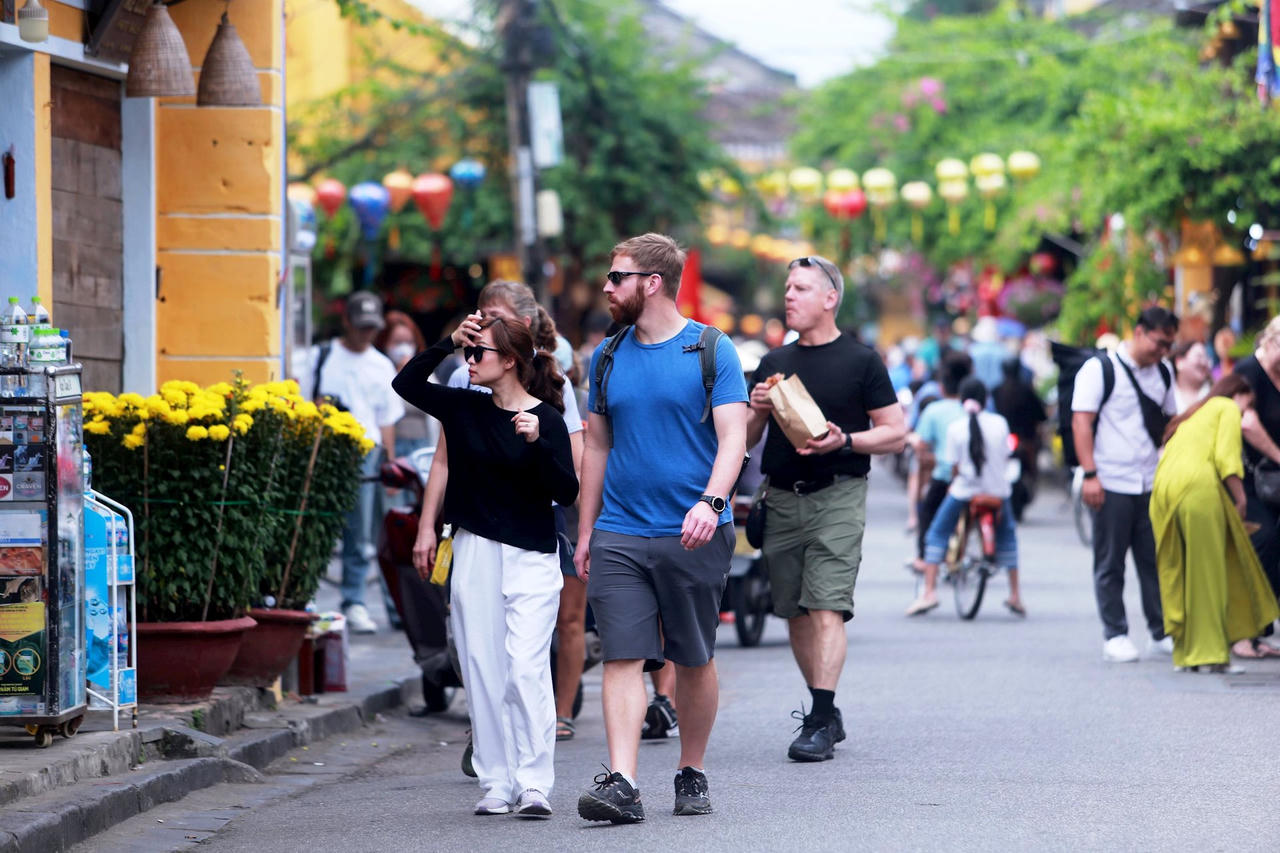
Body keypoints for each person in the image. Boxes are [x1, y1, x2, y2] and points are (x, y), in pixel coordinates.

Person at [574, 233, 747, 823]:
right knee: (622, 655)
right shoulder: (607, 356)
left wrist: (712, 504)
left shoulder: (711, 348)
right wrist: (586, 528)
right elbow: (597, 446)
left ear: (651, 282)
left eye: (617, 276)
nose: (606, 286)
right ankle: (622, 781)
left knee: (693, 657)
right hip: (620, 530)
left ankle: (690, 768)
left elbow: (734, 439)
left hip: (692, 530)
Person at [392, 312, 578, 818]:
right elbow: (405, 382)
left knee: (524, 668)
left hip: (532, 553)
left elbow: (566, 491)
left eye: (480, 353)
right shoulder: (463, 408)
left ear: (512, 361)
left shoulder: (548, 418)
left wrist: (538, 443)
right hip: (474, 548)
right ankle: (497, 781)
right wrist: (449, 343)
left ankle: (535, 782)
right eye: (468, 352)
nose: (470, 361)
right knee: (481, 667)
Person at [745, 254, 906, 763]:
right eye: (788, 287)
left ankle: (818, 715)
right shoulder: (773, 365)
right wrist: (756, 410)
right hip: (781, 495)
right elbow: (746, 440)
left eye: (801, 288)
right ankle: (825, 710)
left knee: (826, 603)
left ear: (830, 298)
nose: (789, 296)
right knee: (792, 609)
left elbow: (895, 432)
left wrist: (846, 441)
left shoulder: (862, 362)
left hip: (838, 492)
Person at [415, 281, 587, 742]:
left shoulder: (549, 402)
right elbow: (440, 454)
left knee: (527, 659)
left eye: (482, 342)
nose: (472, 350)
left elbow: (570, 479)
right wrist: (426, 527)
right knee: (479, 657)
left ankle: (540, 753)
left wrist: (536, 445)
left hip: (532, 534)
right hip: (473, 538)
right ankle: (491, 752)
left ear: (514, 346)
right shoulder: (463, 393)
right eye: (476, 319)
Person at [1151, 375, 1280, 672]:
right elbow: (1226, 458)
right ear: (1239, 395)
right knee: (1209, 573)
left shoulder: (1195, 414)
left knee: (1182, 571)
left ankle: (1186, 656)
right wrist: (1241, 498)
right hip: (1197, 488)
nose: (1248, 413)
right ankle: (1212, 656)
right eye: (1249, 406)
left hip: (1164, 490)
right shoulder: (1226, 407)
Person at [1072, 306, 1179, 663]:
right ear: (1139, 332)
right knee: (1110, 561)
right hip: (1110, 479)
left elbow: (1167, 422)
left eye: (1168, 346)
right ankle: (1115, 634)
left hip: (1149, 481)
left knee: (1153, 560)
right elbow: (1081, 422)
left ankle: (1160, 631)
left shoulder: (1163, 372)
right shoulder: (1100, 369)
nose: (1162, 352)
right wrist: (1090, 474)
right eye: (1159, 343)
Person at [293, 291, 403, 634]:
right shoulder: (321, 356)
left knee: (360, 531)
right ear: (347, 323)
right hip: (325, 448)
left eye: (372, 328)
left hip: (367, 451)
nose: (366, 334)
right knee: (317, 522)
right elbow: (300, 397)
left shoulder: (381, 364)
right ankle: (303, 594)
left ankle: (354, 600)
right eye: (361, 327)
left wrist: (390, 461)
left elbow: (387, 418)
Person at [907, 378, 1023, 616]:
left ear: (962, 400)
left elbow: (954, 468)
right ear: (985, 400)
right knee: (1009, 536)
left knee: (937, 533)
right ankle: (1015, 595)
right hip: (998, 492)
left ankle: (929, 591)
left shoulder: (956, 429)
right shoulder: (1000, 423)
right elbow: (1005, 456)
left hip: (965, 491)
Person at [1231, 317, 1280, 658]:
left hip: (1274, 478)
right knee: (1262, 538)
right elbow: (1246, 423)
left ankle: (1262, 627)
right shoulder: (1248, 370)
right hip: (1248, 475)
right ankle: (1241, 631)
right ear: (1272, 340)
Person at [908, 352, 973, 572]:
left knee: (926, 512)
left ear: (942, 387)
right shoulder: (974, 409)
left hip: (945, 475)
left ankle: (923, 557)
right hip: (975, 477)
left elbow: (921, 443)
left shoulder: (934, 411)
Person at [375, 310, 438, 460]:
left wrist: (414, 373)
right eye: (397, 342)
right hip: (391, 447)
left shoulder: (426, 372)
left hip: (423, 446)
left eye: (409, 342)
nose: (404, 348)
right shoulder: (379, 371)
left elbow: (435, 405)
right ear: (384, 343)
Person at [992, 356, 1046, 519]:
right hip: (1024, 440)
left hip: (1005, 440)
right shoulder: (1027, 390)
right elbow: (1041, 414)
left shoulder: (996, 390)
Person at [1170, 340, 1212, 414]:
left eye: (1206, 358)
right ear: (1179, 362)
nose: (1204, 362)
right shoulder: (1167, 392)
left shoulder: (1213, 393)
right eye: (1199, 356)